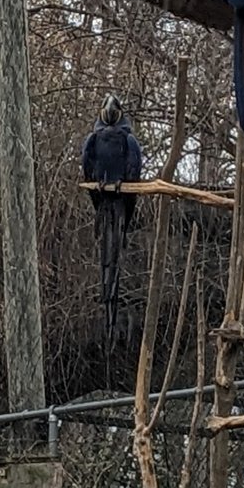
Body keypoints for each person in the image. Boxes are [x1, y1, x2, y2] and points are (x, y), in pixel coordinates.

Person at [80, 98, 146, 370]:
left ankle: (113, 310)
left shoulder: (129, 141)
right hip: (104, 199)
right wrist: (100, 187)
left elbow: (134, 171)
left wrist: (122, 184)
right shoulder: (93, 141)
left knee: (114, 258)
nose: (109, 112)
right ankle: (105, 310)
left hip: (121, 200)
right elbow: (87, 169)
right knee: (106, 258)